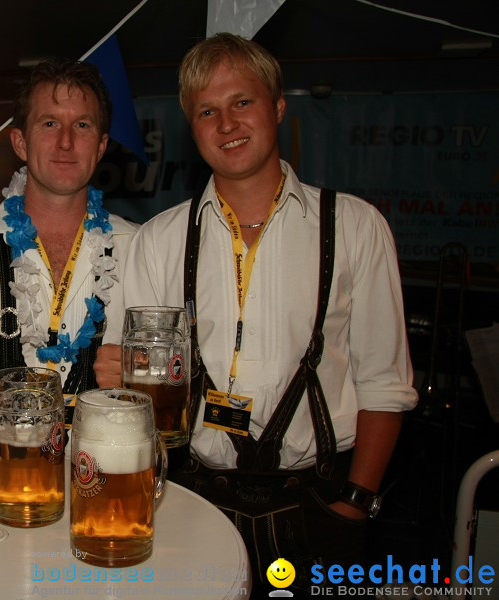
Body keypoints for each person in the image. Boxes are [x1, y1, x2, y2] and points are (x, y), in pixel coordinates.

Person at [95, 33, 417, 595]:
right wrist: (117, 377)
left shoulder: (356, 227)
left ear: (278, 107)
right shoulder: (158, 239)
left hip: (319, 502)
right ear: (191, 128)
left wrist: (356, 505)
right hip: (194, 500)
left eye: (242, 102)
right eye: (207, 111)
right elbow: (128, 383)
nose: (226, 124)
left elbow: (384, 386)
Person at [0, 58, 138, 499]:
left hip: (109, 488)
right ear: (20, 142)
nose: (65, 141)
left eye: (81, 125)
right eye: (49, 123)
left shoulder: (142, 248)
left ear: (101, 146)